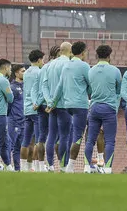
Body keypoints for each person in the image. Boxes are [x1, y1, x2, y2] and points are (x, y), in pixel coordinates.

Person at [51, 41, 91, 173]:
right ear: (83, 52)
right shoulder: (84, 66)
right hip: (80, 104)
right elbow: (91, 85)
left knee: (64, 136)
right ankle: (70, 166)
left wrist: (52, 103)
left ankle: (62, 165)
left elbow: (59, 86)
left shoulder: (66, 65)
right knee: (77, 136)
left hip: (66, 105)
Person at [85, 44, 122, 173]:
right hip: (109, 107)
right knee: (110, 140)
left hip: (94, 107)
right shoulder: (115, 70)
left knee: (90, 140)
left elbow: (89, 89)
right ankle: (107, 168)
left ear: (97, 55)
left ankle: (86, 167)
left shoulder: (91, 70)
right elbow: (119, 90)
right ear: (108, 56)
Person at [40, 43, 67, 171]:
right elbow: (62, 85)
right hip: (63, 104)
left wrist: (49, 102)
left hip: (51, 106)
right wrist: (54, 101)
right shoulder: (67, 64)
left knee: (51, 135)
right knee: (64, 136)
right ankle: (63, 166)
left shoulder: (47, 66)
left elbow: (43, 85)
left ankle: (50, 165)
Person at [23, 50, 45, 171]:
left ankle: (24, 167)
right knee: (39, 139)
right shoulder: (40, 72)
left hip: (27, 108)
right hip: (36, 108)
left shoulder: (26, 73)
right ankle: (39, 167)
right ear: (38, 60)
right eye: (42, 59)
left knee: (26, 141)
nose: (43, 62)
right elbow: (40, 90)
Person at [7, 64, 26, 171]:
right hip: (14, 121)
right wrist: (12, 117)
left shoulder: (26, 86)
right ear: (16, 73)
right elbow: (9, 105)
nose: (25, 73)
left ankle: (18, 169)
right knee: (11, 146)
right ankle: (8, 166)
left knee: (20, 147)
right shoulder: (12, 87)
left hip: (24, 122)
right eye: (23, 71)